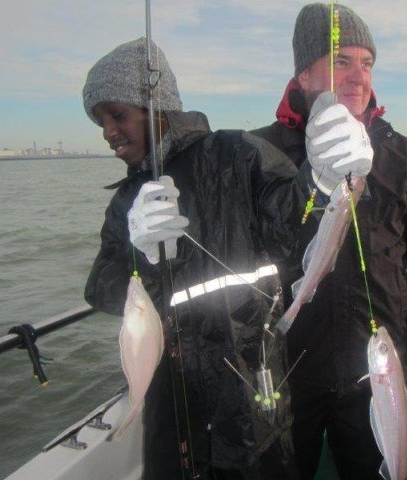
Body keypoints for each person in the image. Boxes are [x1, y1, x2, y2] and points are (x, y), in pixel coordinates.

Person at [82, 38, 369, 480]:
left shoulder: (240, 154)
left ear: (158, 106)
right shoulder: (126, 202)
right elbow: (100, 287)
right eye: (100, 122)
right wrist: (139, 259)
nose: (108, 132)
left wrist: (324, 183)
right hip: (171, 417)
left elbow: (293, 231)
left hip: (252, 413)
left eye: (117, 115)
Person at [251, 4, 407, 479]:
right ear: (303, 74)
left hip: (377, 365)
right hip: (287, 368)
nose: (358, 76)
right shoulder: (260, 151)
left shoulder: (399, 152)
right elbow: (257, 246)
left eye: (367, 63)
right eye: (341, 60)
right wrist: (312, 180)